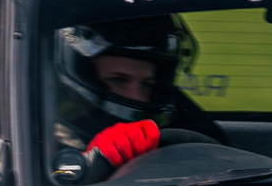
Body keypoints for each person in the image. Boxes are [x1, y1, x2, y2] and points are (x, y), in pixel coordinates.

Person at [49, 15, 228, 177]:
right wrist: (92, 164)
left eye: (146, 84)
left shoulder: (177, 116)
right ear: (86, 76)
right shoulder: (39, 137)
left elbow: (225, 163)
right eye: (118, 81)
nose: (138, 97)